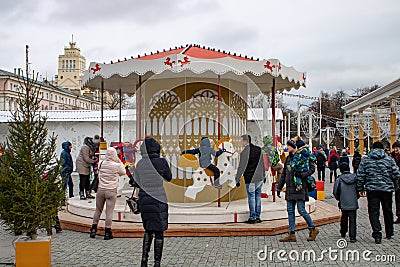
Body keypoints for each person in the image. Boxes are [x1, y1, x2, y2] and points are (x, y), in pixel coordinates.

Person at [134, 137, 172, 267]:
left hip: (144, 199)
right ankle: (157, 263)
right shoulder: (161, 162)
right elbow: (169, 178)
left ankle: (144, 260)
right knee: (159, 231)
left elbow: (136, 181)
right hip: (158, 198)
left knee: (148, 229)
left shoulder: (140, 164)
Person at [356, 141, 400, 244]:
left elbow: (360, 175)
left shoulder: (366, 160)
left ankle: (377, 233)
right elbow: (396, 173)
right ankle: (389, 231)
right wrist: (394, 184)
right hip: (387, 189)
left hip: (372, 189)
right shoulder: (389, 160)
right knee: (388, 210)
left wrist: (360, 188)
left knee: (374, 212)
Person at [277, 139, 319, 242]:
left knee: (301, 210)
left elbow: (312, 169)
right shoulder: (288, 159)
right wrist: (279, 187)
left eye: (288, 146)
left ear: (294, 147)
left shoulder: (304, 156)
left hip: (300, 187)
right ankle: (291, 233)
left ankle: (312, 228)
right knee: (290, 210)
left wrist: (303, 175)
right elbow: (284, 174)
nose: (287, 148)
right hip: (290, 188)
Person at [89, 147, 126, 240]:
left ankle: (93, 229)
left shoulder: (101, 163)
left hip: (101, 190)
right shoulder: (117, 165)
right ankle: (107, 232)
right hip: (111, 190)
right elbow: (123, 172)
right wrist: (119, 161)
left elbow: (98, 172)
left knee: (98, 210)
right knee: (109, 212)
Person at [235, 134, 265, 224]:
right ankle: (258, 216)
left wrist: (237, 178)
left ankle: (252, 217)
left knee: (251, 197)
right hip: (259, 177)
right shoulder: (258, 149)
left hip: (250, 177)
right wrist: (263, 175)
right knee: (257, 196)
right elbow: (262, 163)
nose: (241, 142)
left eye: (241, 140)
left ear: (245, 141)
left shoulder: (244, 152)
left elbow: (241, 167)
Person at [333, 163, 359, 243]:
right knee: (353, 219)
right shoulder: (355, 178)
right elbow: (358, 189)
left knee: (344, 217)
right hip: (353, 201)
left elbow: (335, 191)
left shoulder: (339, 179)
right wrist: (356, 197)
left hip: (343, 201)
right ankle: (353, 237)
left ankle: (343, 232)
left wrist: (339, 198)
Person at [391, 141, 400, 224]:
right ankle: (399, 215)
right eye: (394, 148)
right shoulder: (391, 156)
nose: (395, 149)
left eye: (397, 148)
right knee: (398, 199)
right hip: (396, 182)